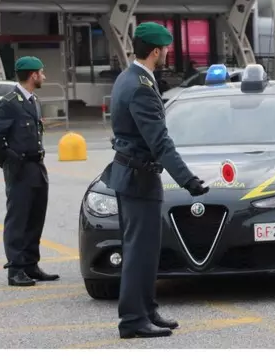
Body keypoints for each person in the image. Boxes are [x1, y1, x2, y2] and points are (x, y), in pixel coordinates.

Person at [106, 21, 209, 339]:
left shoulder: (130, 78)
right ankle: (133, 320)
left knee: (146, 249)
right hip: (138, 179)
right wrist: (188, 180)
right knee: (139, 250)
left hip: (135, 175)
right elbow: (159, 141)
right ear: (154, 51)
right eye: (164, 49)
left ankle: (147, 310)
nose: (166, 54)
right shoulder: (141, 88)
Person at [0, 56, 59, 286]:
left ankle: (30, 264)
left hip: (36, 166)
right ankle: (15, 269)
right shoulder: (10, 102)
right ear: (33, 75)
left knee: (35, 216)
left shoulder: (33, 100)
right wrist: (9, 162)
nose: (44, 76)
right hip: (20, 168)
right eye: (41, 72)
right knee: (18, 219)